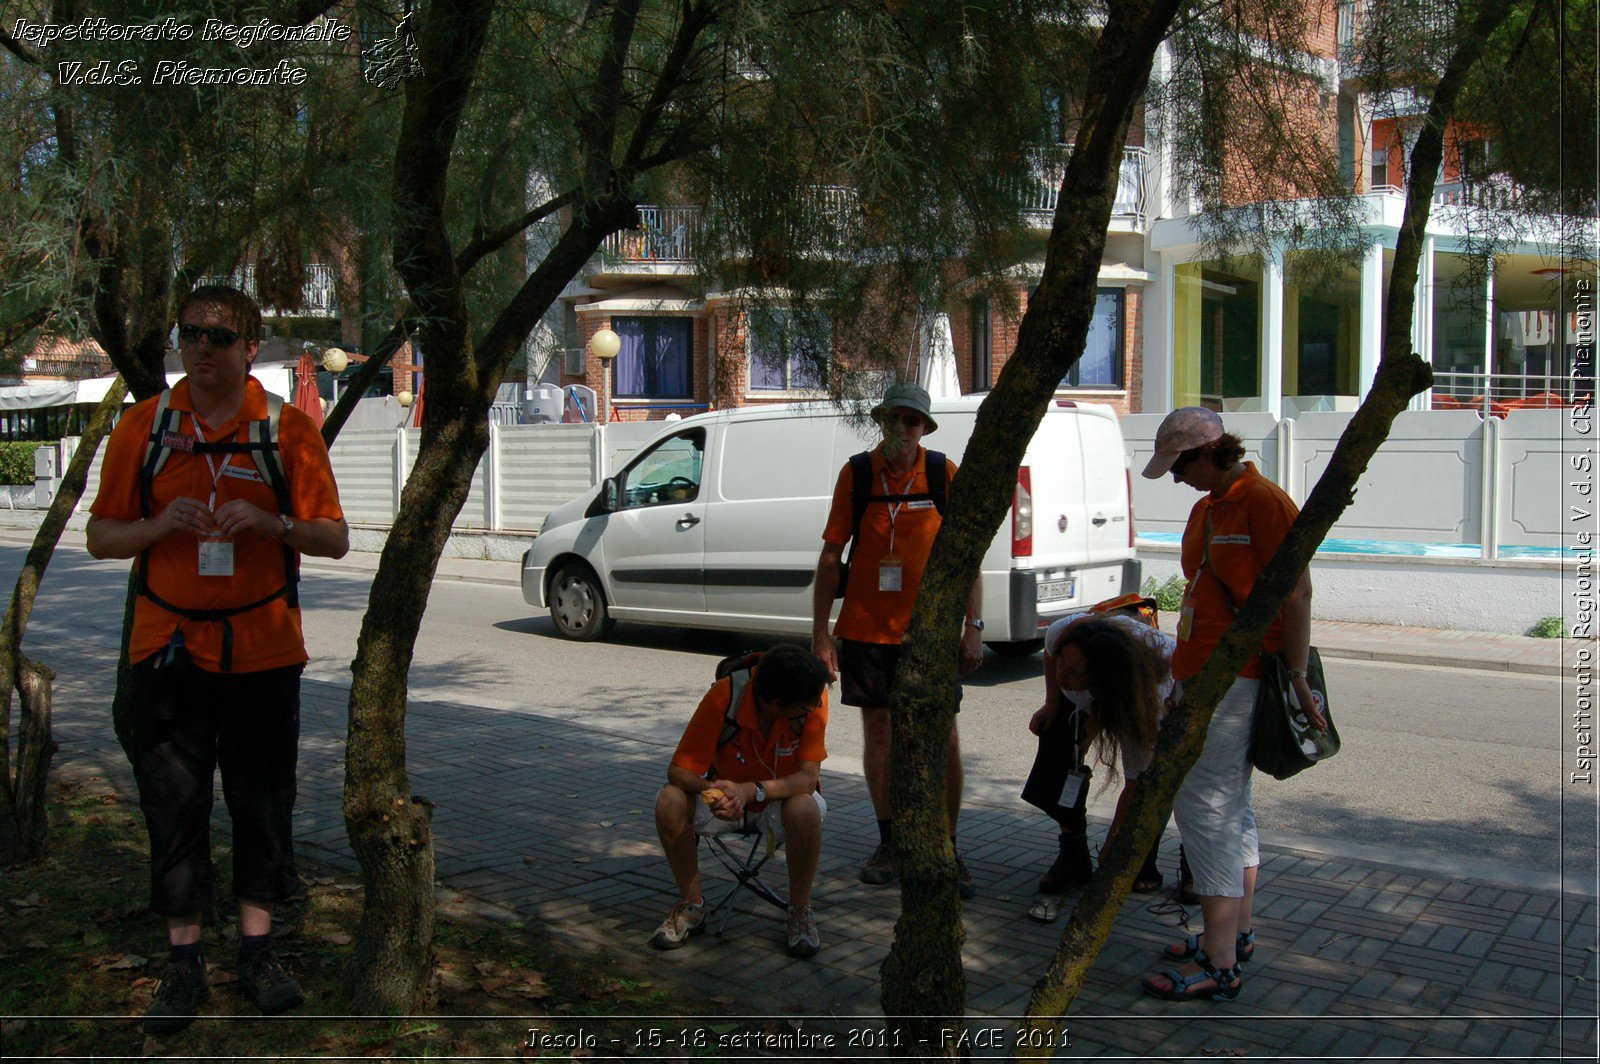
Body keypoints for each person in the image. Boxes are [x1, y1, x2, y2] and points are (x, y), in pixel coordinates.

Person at [86, 285, 349, 1034]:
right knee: (175, 812)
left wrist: (273, 523)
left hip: (263, 652)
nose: (202, 348)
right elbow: (102, 537)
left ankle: (258, 957)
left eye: (220, 338)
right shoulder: (144, 427)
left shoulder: (289, 433)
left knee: (263, 807)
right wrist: (160, 523)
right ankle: (183, 967)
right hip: (167, 653)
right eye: (191, 334)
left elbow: (334, 539)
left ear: (249, 349)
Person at [1136, 407, 1323, 1002]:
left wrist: (1295, 674)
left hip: (1238, 680)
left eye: (1178, 466)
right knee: (1230, 806)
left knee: (1207, 810)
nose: (1174, 479)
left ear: (1206, 454)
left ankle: (1219, 964)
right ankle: (1234, 934)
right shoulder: (1209, 506)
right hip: (1202, 676)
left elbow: (1297, 591)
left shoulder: (1264, 502)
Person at [811, 382, 984, 897]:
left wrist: (972, 629)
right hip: (865, 629)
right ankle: (889, 840)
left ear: (924, 428)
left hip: (928, 633)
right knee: (879, 734)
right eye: (894, 419)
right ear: (881, 422)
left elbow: (967, 558)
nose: (902, 429)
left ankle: (948, 847)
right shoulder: (858, 473)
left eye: (912, 421)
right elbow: (829, 557)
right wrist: (821, 635)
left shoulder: (940, 472)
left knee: (944, 734)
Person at [651, 643, 832, 958]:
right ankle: (692, 906)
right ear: (776, 704)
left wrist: (751, 790)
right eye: (806, 706)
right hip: (724, 796)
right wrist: (716, 793)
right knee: (669, 800)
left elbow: (806, 779)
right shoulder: (724, 696)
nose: (815, 706)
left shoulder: (812, 695)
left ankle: (800, 910)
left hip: (779, 800)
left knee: (805, 806)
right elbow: (678, 771)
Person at [1024, 602, 1174, 920]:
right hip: (1108, 666)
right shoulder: (1064, 634)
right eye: (1064, 662)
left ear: (1103, 679)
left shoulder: (1146, 697)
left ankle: (1144, 855)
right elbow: (1053, 652)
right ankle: (1073, 853)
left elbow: (1135, 782)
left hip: (1160, 696)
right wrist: (1052, 702)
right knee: (1058, 746)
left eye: (1074, 671)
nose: (1062, 673)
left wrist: (1111, 846)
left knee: (1156, 777)